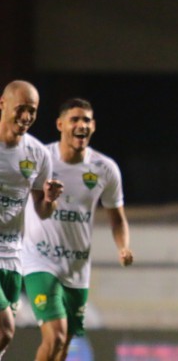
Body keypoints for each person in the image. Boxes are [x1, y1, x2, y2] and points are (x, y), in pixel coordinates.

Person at [22, 98, 134, 361]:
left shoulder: (105, 169)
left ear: (93, 126)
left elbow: (117, 218)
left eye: (86, 120)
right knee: (56, 335)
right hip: (40, 260)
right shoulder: (41, 159)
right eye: (75, 119)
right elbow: (29, 202)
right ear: (60, 124)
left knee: (65, 343)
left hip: (78, 267)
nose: (81, 124)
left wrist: (124, 247)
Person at [0, 80, 63, 359]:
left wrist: (49, 199)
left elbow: (41, 210)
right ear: (3, 104)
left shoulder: (38, 154)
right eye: (21, 109)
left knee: (2, 340)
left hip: (12, 255)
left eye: (32, 111)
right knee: (4, 329)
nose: (26, 117)